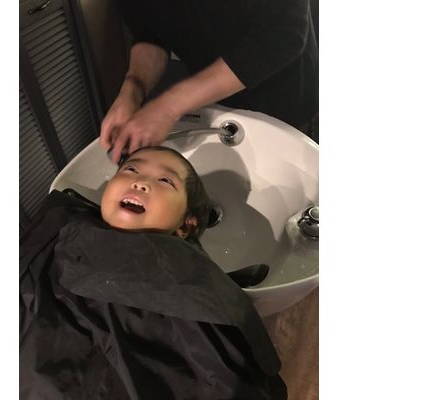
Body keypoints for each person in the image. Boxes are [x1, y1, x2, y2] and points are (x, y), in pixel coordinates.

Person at [20, 146, 287, 399]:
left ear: (185, 226)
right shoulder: (58, 221)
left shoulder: (192, 284)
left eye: (165, 181)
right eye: (131, 170)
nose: (140, 182)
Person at [100, 0, 319, 164]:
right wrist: (132, 90)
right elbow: (150, 35)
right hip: (213, 95)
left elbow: (282, 37)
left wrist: (169, 106)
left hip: (285, 95)